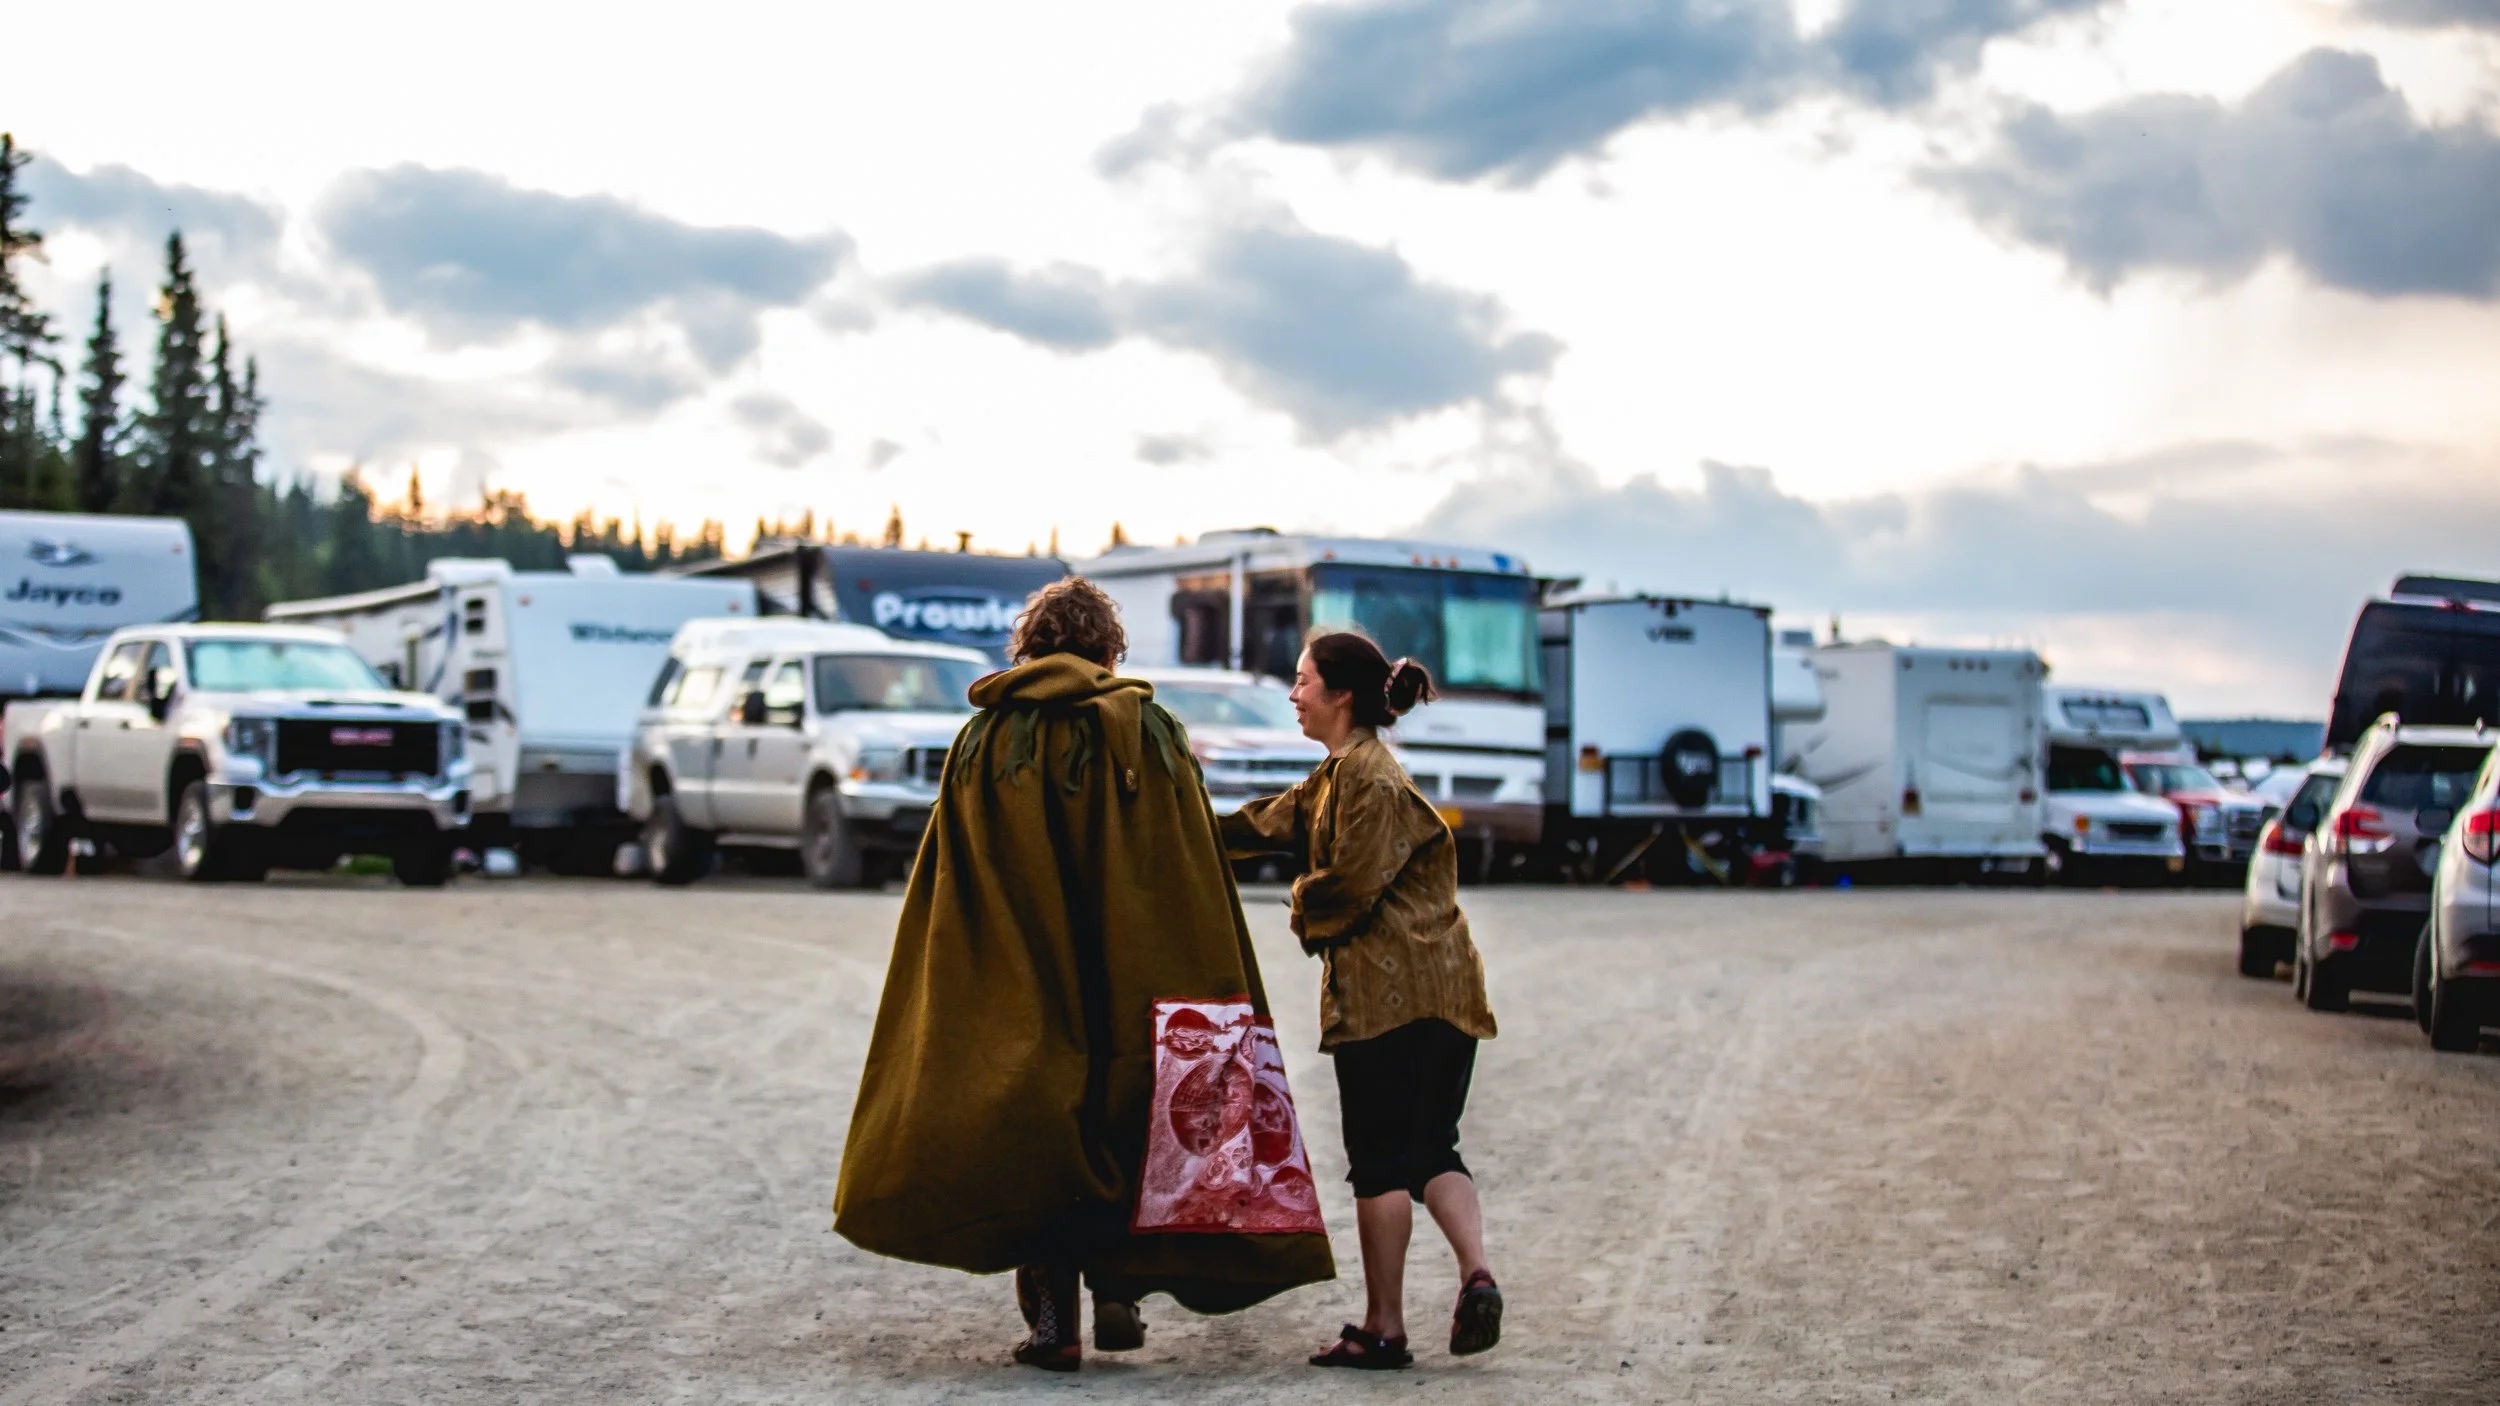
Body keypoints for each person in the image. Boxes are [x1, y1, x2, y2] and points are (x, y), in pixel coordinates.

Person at [833, 578, 1333, 1372]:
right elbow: (1186, 859)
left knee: (1040, 1121)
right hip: (1135, 959)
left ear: (1028, 650)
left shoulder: (987, 737)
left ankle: (1052, 1323)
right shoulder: (1153, 732)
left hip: (1024, 960)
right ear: (1108, 651)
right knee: (1131, 1107)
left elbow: (958, 873)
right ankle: (1118, 1290)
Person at [1221, 631, 1503, 1371]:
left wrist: (1298, 902)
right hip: (1448, 996)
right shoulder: (1338, 775)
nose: (1293, 693)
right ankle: (1477, 1273)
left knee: (1378, 1163)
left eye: (1303, 680)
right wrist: (1179, 816)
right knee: (1433, 1147)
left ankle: (1384, 1328)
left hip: (1390, 999)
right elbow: (1263, 824)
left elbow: (1350, 884)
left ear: (1341, 695)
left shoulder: (1367, 779)